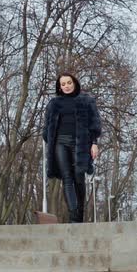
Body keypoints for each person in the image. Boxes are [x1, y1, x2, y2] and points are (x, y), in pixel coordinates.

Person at [43, 72, 102, 223]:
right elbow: (47, 128)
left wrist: (94, 143)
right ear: (60, 87)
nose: (66, 86)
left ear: (74, 83)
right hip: (59, 144)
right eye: (63, 84)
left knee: (78, 178)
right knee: (67, 178)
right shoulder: (54, 104)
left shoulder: (86, 101)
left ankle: (80, 213)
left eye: (69, 82)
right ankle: (74, 217)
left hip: (80, 144)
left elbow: (94, 124)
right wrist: (49, 137)